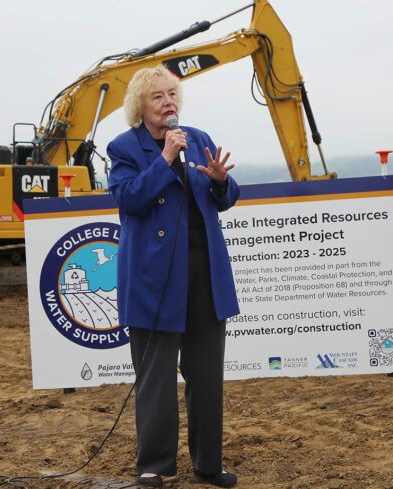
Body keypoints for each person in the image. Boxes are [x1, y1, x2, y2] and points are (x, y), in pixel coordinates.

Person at [108, 65, 240, 488]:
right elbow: (130, 199)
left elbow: (225, 198)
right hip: (155, 281)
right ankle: (155, 464)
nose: (169, 102)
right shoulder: (125, 148)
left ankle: (208, 464)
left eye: (172, 94)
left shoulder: (197, 139)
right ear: (140, 107)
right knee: (157, 379)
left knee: (206, 376)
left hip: (204, 275)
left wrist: (222, 182)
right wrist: (165, 159)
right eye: (158, 97)